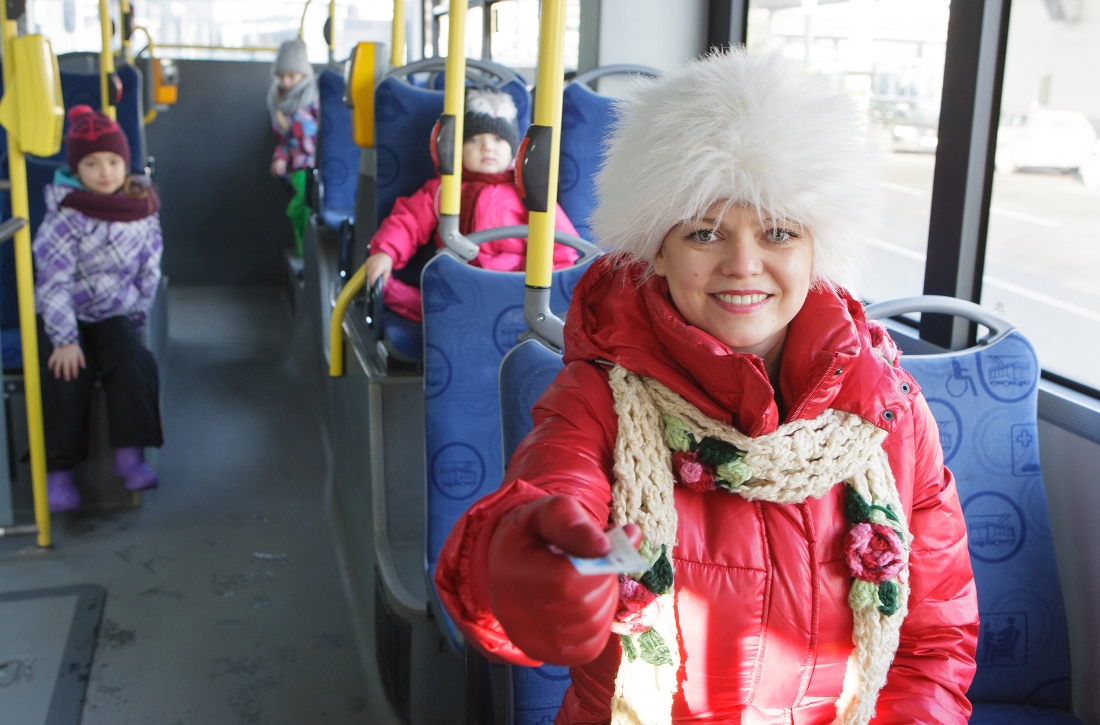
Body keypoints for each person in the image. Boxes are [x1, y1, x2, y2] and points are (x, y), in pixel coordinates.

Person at [435, 52, 978, 724]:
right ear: (657, 250)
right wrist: (514, 568)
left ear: (817, 251)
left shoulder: (888, 410)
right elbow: (542, 498)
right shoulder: (599, 399)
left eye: (778, 232)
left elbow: (933, 643)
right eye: (704, 233)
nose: (743, 264)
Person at [35, 105, 164, 513]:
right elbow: (52, 282)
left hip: (114, 313)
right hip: (67, 317)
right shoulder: (66, 214)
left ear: (126, 163)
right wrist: (65, 339)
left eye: (113, 161)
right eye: (92, 163)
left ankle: (130, 456)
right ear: (77, 169)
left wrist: (136, 318)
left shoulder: (142, 210)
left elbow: (149, 269)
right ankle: (59, 475)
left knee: (133, 361)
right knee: (65, 375)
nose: (105, 172)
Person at [364, 88, 580, 322]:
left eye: (498, 139)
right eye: (475, 139)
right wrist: (386, 252)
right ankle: (391, 292)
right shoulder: (444, 189)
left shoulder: (527, 190)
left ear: (514, 150)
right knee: (440, 303)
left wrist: (550, 279)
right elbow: (409, 220)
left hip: (516, 282)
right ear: (459, 149)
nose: (487, 147)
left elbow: (559, 241)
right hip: (461, 281)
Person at [267, 38, 318, 257]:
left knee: (304, 208)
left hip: (317, 167)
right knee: (298, 210)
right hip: (298, 170)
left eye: (292, 76)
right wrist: (279, 158)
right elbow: (286, 142)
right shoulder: (279, 105)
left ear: (304, 75)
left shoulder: (315, 100)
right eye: (282, 76)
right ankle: (304, 257)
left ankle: (309, 257)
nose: (286, 82)